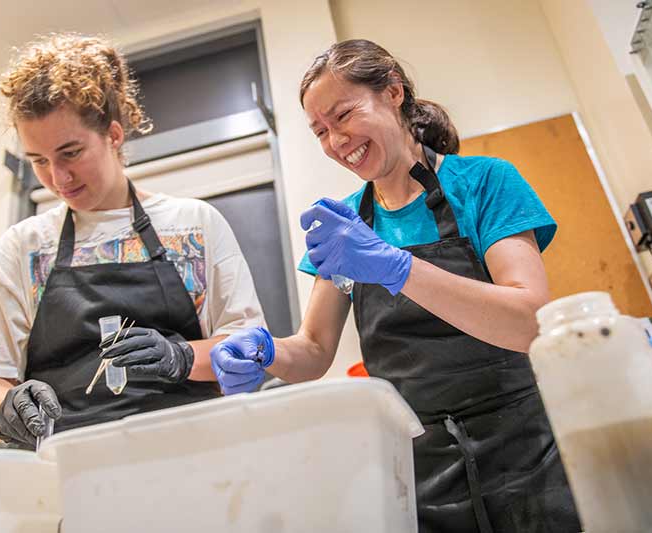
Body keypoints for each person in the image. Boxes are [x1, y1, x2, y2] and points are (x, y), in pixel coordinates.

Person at [210, 39, 581, 532]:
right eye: (320, 131)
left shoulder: (484, 182)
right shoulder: (346, 225)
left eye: (343, 115)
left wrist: (395, 266)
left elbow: (529, 321)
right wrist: (264, 352)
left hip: (529, 453)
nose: (335, 141)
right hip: (418, 468)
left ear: (392, 92)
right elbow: (316, 349)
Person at [0, 33, 265, 449]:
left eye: (70, 152)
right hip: (64, 472)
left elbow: (249, 351)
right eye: (39, 161)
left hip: (191, 455)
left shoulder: (193, 225)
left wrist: (181, 358)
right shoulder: (22, 248)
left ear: (113, 135)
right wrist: (7, 410)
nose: (57, 178)